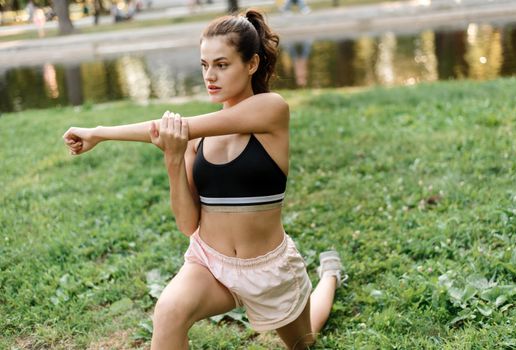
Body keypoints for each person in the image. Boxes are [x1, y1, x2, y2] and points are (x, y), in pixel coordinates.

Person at [62, 9, 346, 349]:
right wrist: (172, 158)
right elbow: (187, 224)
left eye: (222, 65)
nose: (210, 76)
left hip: (268, 269)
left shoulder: (271, 109)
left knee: (306, 341)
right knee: (168, 311)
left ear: (252, 64)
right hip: (211, 264)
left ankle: (328, 275)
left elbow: (176, 126)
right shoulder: (194, 141)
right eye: (204, 64)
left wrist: (99, 132)